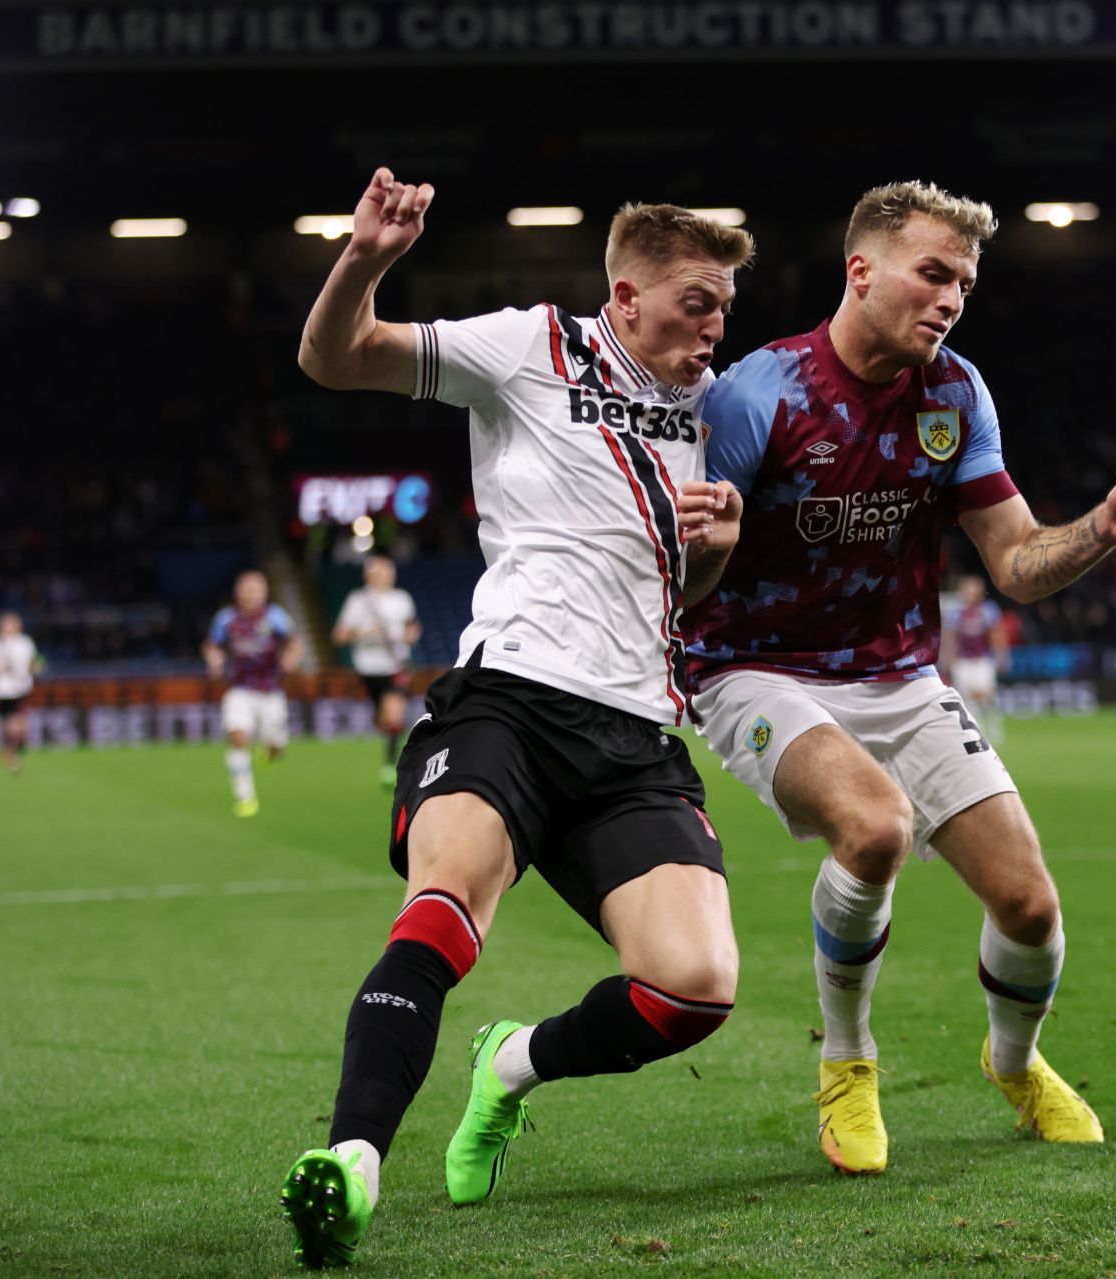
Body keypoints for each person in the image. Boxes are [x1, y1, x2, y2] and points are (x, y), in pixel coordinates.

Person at [279, 168, 752, 1269]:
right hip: (509, 701)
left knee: (695, 991)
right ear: (627, 298)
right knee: (447, 906)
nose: (715, 324)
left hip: (637, 734)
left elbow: (679, 599)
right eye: (697, 300)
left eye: (726, 305)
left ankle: (512, 1065)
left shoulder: (711, 415)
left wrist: (718, 555)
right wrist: (366, 257)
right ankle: (353, 1162)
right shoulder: (532, 345)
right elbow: (334, 359)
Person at [683, 180, 1116, 1176]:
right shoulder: (758, 393)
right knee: (873, 827)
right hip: (754, 672)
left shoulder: (955, 394)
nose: (950, 298)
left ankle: (1016, 1063)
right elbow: (684, 575)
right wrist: (712, 548)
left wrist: (1100, 530)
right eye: (933, 273)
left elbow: (1017, 561)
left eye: (964, 282)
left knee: (1030, 905)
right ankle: (847, 1061)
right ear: (861, 270)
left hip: (898, 676)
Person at [203, 570, 303, 816]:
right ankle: (245, 796)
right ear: (237, 593)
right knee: (238, 736)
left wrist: (292, 659)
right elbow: (212, 645)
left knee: (276, 747)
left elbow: (294, 643)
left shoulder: (276, 618)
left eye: (255, 590)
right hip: (239, 689)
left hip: (271, 691)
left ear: (264, 592)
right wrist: (214, 660)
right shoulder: (226, 620)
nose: (250, 595)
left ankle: (269, 752)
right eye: (246, 590)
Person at [332, 553, 422, 787]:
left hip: (396, 665)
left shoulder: (402, 599)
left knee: (394, 714)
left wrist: (408, 636)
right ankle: (387, 737)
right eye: (379, 572)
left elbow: (413, 627)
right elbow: (339, 636)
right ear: (368, 575)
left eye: (388, 571)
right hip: (368, 669)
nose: (385, 576)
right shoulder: (357, 601)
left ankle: (390, 765)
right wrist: (364, 633)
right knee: (382, 718)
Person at [948, 574, 1011, 744]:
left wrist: (1001, 655)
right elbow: (951, 637)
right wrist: (950, 659)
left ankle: (994, 726)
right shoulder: (955, 612)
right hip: (963, 660)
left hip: (982, 659)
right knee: (966, 697)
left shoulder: (988, 610)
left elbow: (996, 634)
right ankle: (976, 729)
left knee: (987, 695)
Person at [0, 611, 42, 774]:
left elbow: (33, 662)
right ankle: (9, 753)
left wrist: (34, 668)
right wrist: (0, 668)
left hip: (22, 687)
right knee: (9, 724)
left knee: (21, 727)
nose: (13, 626)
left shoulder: (25, 642)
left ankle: (14, 751)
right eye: (9, 623)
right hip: (3, 690)